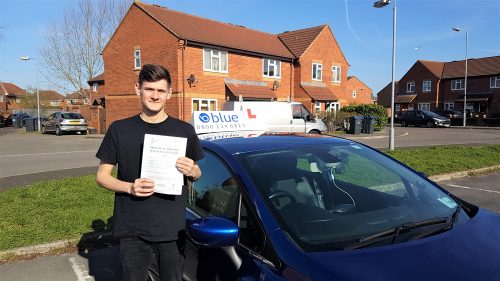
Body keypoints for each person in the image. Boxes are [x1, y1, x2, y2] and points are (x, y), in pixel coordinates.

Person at [95, 64, 203, 281]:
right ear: (138, 89)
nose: (155, 96)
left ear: (169, 93)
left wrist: (192, 169)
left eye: (161, 90)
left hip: (172, 228)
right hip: (132, 227)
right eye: (149, 89)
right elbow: (102, 176)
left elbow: (198, 173)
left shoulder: (184, 130)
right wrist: (130, 187)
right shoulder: (119, 129)